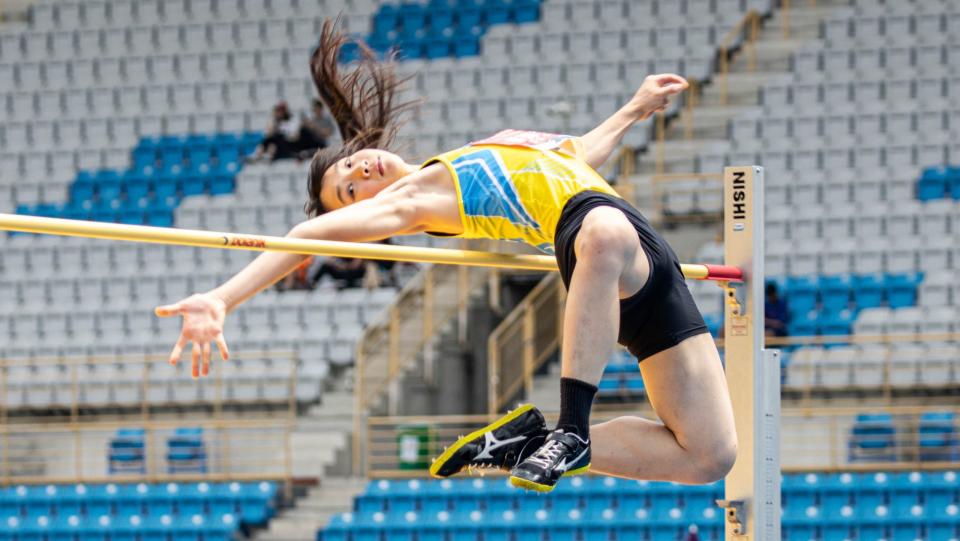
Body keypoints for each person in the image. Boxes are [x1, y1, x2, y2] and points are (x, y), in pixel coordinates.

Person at [154, 20, 736, 494]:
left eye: (352, 165)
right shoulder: (411, 202)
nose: (360, 175)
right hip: (601, 239)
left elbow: (579, 155)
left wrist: (635, 108)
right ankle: (572, 428)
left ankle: (527, 443)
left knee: (709, 456)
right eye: (350, 193)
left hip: (633, 261)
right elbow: (299, 239)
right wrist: (220, 297)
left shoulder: (468, 156)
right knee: (604, 232)